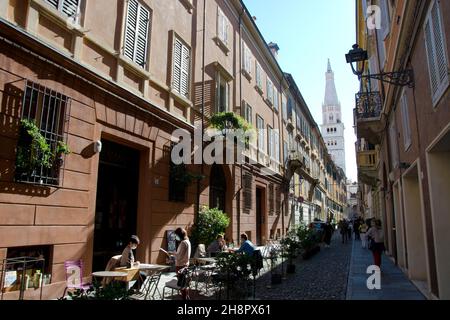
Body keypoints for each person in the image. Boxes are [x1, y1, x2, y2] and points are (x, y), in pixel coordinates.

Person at [165, 228, 191, 300]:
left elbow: (179, 256)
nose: (175, 237)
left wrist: (172, 254)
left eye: (176, 235)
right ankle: (186, 297)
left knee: (181, 285)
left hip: (180, 266)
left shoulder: (183, 243)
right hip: (185, 264)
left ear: (179, 235)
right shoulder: (188, 241)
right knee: (184, 284)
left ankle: (185, 298)